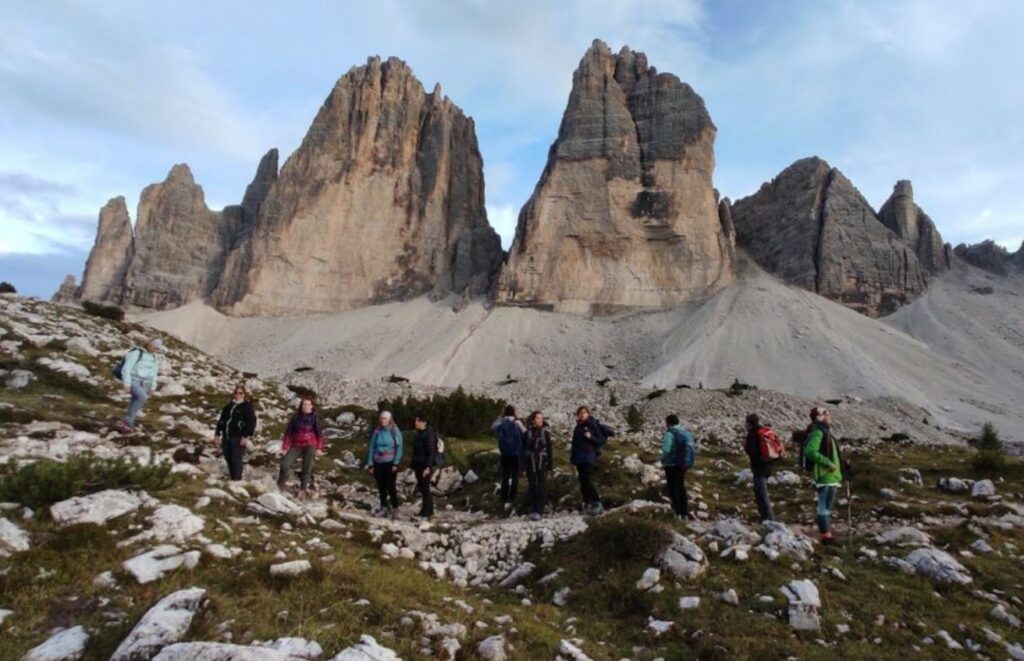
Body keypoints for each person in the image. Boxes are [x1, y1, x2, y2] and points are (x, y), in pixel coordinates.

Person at [804, 406, 843, 544]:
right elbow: (810, 451)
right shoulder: (819, 433)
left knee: (826, 506)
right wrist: (828, 464)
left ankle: (827, 534)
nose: (830, 415)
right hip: (826, 475)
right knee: (824, 507)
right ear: (819, 417)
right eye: (826, 413)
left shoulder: (823, 431)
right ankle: (826, 537)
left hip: (830, 476)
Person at [570, 405, 614, 515]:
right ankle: (587, 503)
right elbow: (574, 444)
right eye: (580, 412)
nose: (582, 414)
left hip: (588, 456)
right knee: (582, 480)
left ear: (588, 414)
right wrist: (572, 459)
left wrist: (591, 437)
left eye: (584, 412)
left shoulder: (592, 425)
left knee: (586, 479)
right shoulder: (578, 427)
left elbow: (601, 440)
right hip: (579, 457)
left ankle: (597, 502)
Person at [277, 397, 324, 499]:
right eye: (304, 404)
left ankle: (302, 490)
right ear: (301, 406)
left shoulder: (315, 418)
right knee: (285, 465)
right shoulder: (296, 417)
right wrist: (285, 446)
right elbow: (288, 432)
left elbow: (319, 434)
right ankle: (280, 485)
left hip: (310, 444)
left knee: (307, 467)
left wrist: (319, 448)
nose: (306, 406)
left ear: (312, 406)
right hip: (296, 444)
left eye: (308, 405)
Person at [117, 337, 163, 433]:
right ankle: (128, 422)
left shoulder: (154, 357)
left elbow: (154, 372)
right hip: (134, 380)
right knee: (142, 397)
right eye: (155, 348)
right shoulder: (137, 353)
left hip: (145, 382)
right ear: (149, 345)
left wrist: (153, 386)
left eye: (158, 349)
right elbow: (127, 368)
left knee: (135, 401)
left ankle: (126, 423)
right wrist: (127, 383)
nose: (156, 350)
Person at [213, 385, 257, 481]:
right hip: (226, 436)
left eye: (240, 393)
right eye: (236, 393)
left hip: (238, 437)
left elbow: (251, 422)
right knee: (228, 458)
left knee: (236, 460)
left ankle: (237, 481)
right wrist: (217, 434)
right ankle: (233, 478)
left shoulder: (247, 407)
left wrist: (245, 436)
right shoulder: (228, 407)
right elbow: (221, 420)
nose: (237, 395)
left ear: (244, 395)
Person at [367, 411, 403, 518]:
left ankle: (395, 508)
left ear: (390, 419)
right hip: (378, 462)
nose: (383, 420)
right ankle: (384, 507)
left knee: (391, 486)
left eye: (385, 418)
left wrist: (396, 463)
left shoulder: (394, 431)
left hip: (390, 462)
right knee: (381, 486)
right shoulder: (377, 431)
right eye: (382, 418)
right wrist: (370, 463)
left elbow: (399, 447)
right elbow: (372, 447)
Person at [520, 411, 554, 521]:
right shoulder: (527, 434)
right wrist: (522, 466)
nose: (540, 420)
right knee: (532, 485)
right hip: (531, 462)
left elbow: (549, 450)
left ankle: (539, 510)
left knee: (541, 485)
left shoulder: (545, 434)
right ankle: (534, 509)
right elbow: (522, 450)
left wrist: (550, 466)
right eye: (538, 418)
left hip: (541, 463)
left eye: (541, 418)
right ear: (533, 419)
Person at [492, 406, 526, 511]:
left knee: (505, 475)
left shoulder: (501, 423)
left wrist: (500, 417)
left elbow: (493, 428)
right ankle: (512, 497)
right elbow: (525, 433)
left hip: (505, 453)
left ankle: (503, 497)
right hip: (516, 453)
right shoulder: (517, 423)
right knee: (515, 475)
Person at [744, 413, 775, 522]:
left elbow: (752, 451)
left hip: (759, 467)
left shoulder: (752, 434)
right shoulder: (764, 431)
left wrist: (746, 447)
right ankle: (765, 516)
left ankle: (768, 518)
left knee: (761, 493)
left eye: (746, 422)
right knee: (762, 491)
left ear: (749, 423)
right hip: (769, 465)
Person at [661, 414, 694, 519]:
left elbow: (666, 450)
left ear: (668, 422)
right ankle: (684, 512)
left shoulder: (669, 433)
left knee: (673, 488)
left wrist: (663, 460)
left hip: (671, 464)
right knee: (681, 487)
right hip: (683, 464)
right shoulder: (685, 432)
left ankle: (677, 512)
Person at [410, 412, 438, 520]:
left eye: (418, 421)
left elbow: (431, 452)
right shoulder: (417, 433)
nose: (415, 423)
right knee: (422, 487)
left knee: (425, 488)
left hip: (425, 465)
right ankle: (428, 510)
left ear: (424, 422)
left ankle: (427, 512)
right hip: (418, 464)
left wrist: (428, 467)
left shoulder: (429, 434)